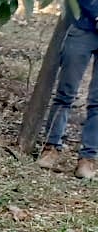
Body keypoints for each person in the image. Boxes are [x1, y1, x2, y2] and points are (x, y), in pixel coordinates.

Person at [36, 0, 98, 180]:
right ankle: (51, 148)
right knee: (65, 93)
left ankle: (88, 158)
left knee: (97, 101)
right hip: (82, 25)